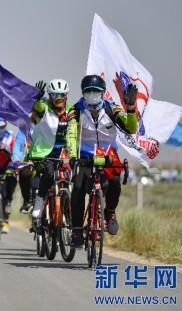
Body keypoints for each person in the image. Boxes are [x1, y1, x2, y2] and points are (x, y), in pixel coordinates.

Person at [67, 75, 138, 247]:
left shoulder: (112, 109)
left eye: (96, 91)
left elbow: (130, 128)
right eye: (88, 91)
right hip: (85, 156)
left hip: (108, 155)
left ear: (102, 93)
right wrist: (72, 157)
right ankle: (77, 230)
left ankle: (110, 213)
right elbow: (71, 135)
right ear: (83, 93)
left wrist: (129, 108)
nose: (92, 94)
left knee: (114, 182)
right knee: (77, 188)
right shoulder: (75, 110)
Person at [28, 79, 72, 221]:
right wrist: (37, 99)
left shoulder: (71, 112)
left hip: (64, 153)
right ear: (50, 96)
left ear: (66, 96)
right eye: (54, 95)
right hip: (45, 153)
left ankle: (69, 212)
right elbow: (38, 110)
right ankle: (40, 201)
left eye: (61, 95)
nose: (58, 99)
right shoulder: (45, 108)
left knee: (74, 178)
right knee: (48, 173)